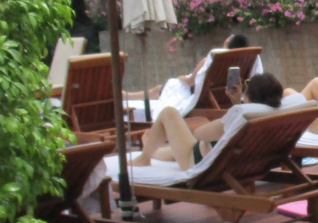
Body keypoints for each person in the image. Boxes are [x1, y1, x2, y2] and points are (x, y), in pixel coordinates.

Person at [131, 72, 305, 170]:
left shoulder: (241, 115)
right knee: (170, 152)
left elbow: (199, 134)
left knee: (169, 113)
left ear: (250, 97)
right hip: (237, 162)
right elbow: (245, 116)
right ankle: (150, 148)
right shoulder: (274, 114)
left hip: (199, 161)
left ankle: (144, 158)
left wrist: (231, 112)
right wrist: (238, 104)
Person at [125, 33, 256, 102]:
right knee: (161, 88)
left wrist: (180, 77)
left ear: (227, 42)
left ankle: (128, 96)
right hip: (220, 96)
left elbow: (190, 82)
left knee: (164, 87)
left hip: (196, 93)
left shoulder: (210, 60)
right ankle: (127, 95)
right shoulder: (242, 62)